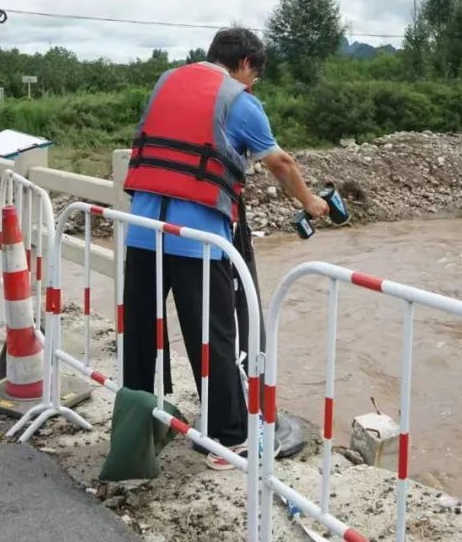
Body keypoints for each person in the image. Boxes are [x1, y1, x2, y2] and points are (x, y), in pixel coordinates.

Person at [122, 27, 329, 470]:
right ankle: (229, 438)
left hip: (141, 228)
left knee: (140, 332)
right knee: (212, 337)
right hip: (197, 239)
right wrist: (311, 203)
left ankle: (137, 427)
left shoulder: (165, 83)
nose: (253, 84)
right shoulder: (239, 100)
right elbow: (282, 163)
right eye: (256, 75)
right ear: (248, 65)